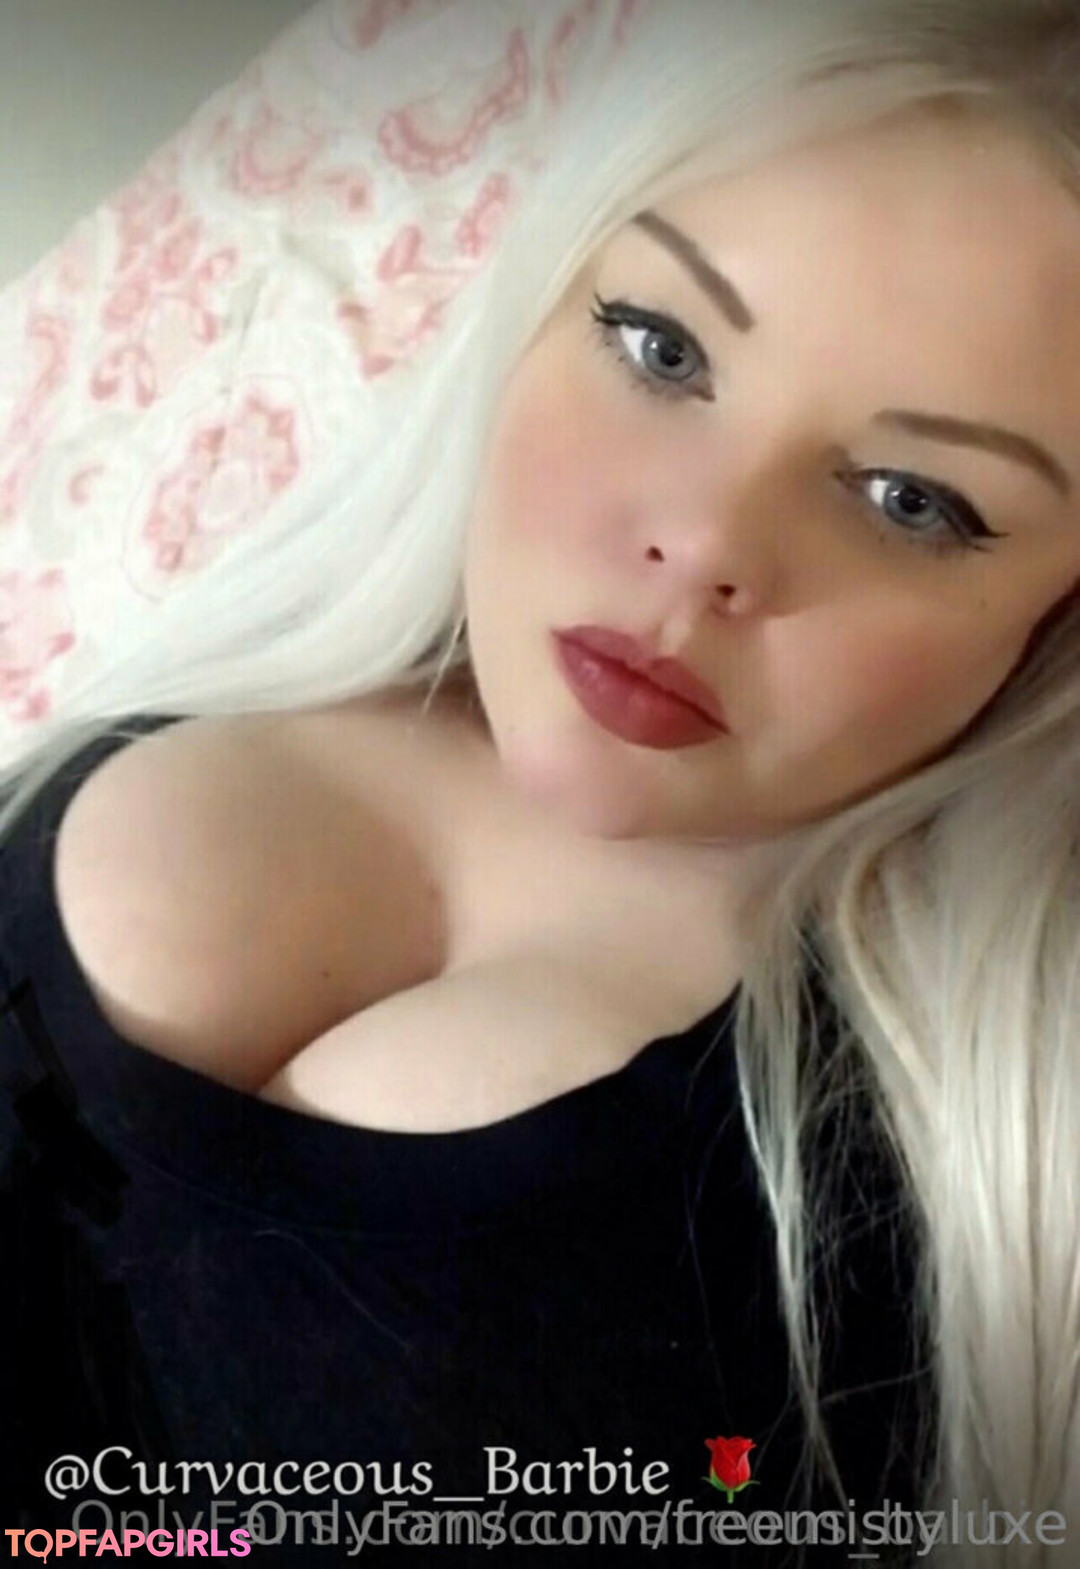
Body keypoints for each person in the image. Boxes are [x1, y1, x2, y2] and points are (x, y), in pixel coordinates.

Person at [3, 0, 1080, 1561]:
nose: (702, 545)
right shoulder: (268, 640)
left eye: (912, 499)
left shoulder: (949, 1202)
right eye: (661, 347)